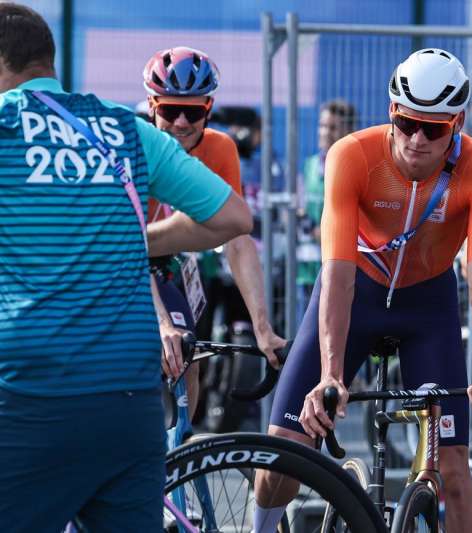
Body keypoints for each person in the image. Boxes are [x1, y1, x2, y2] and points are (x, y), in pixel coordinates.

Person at [0, 4, 253, 531]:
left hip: (28, 399)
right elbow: (231, 217)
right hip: (129, 405)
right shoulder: (123, 128)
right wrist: (138, 237)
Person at [254, 48, 472, 533]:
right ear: (390, 112)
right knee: (284, 452)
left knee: (455, 473)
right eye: (406, 123)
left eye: (434, 129)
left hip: (427, 307)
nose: (416, 139)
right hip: (357, 296)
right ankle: (261, 528)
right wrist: (331, 375)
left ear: (457, 123)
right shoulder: (353, 154)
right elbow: (336, 271)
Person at [142, 46, 285, 417]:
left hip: (172, 259)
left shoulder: (220, 147)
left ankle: (173, 463)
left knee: (189, 365)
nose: (181, 122)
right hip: (124, 257)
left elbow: (238, 240)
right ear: (151, 104)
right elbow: (128, 248)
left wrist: (262, 327)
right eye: (170, 110)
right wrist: (160, 323)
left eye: (193, 111)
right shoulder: (136, 141)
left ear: (209, 108)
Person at [297, 99, 357, 321]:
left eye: (332, 127)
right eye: (322, 126)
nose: (325, 132)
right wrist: (308, 224)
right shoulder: (310, 164)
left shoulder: (353, 166)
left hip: (340, 265)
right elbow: (299, 206)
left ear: (348, 130)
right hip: (308, 267)